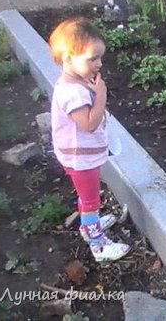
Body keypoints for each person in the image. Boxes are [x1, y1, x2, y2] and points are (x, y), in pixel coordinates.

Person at [49, 17, 130, 262]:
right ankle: (98, 245)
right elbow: (88, 123)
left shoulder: (77, 81)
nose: (99, 64)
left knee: (88, 197)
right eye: (92, 59)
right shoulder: (72, 91)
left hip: (80, 154)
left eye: (100, 57)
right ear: (68, 58)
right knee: (91, 199)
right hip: (79, 158)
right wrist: (101, 95)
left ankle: (88, 225)